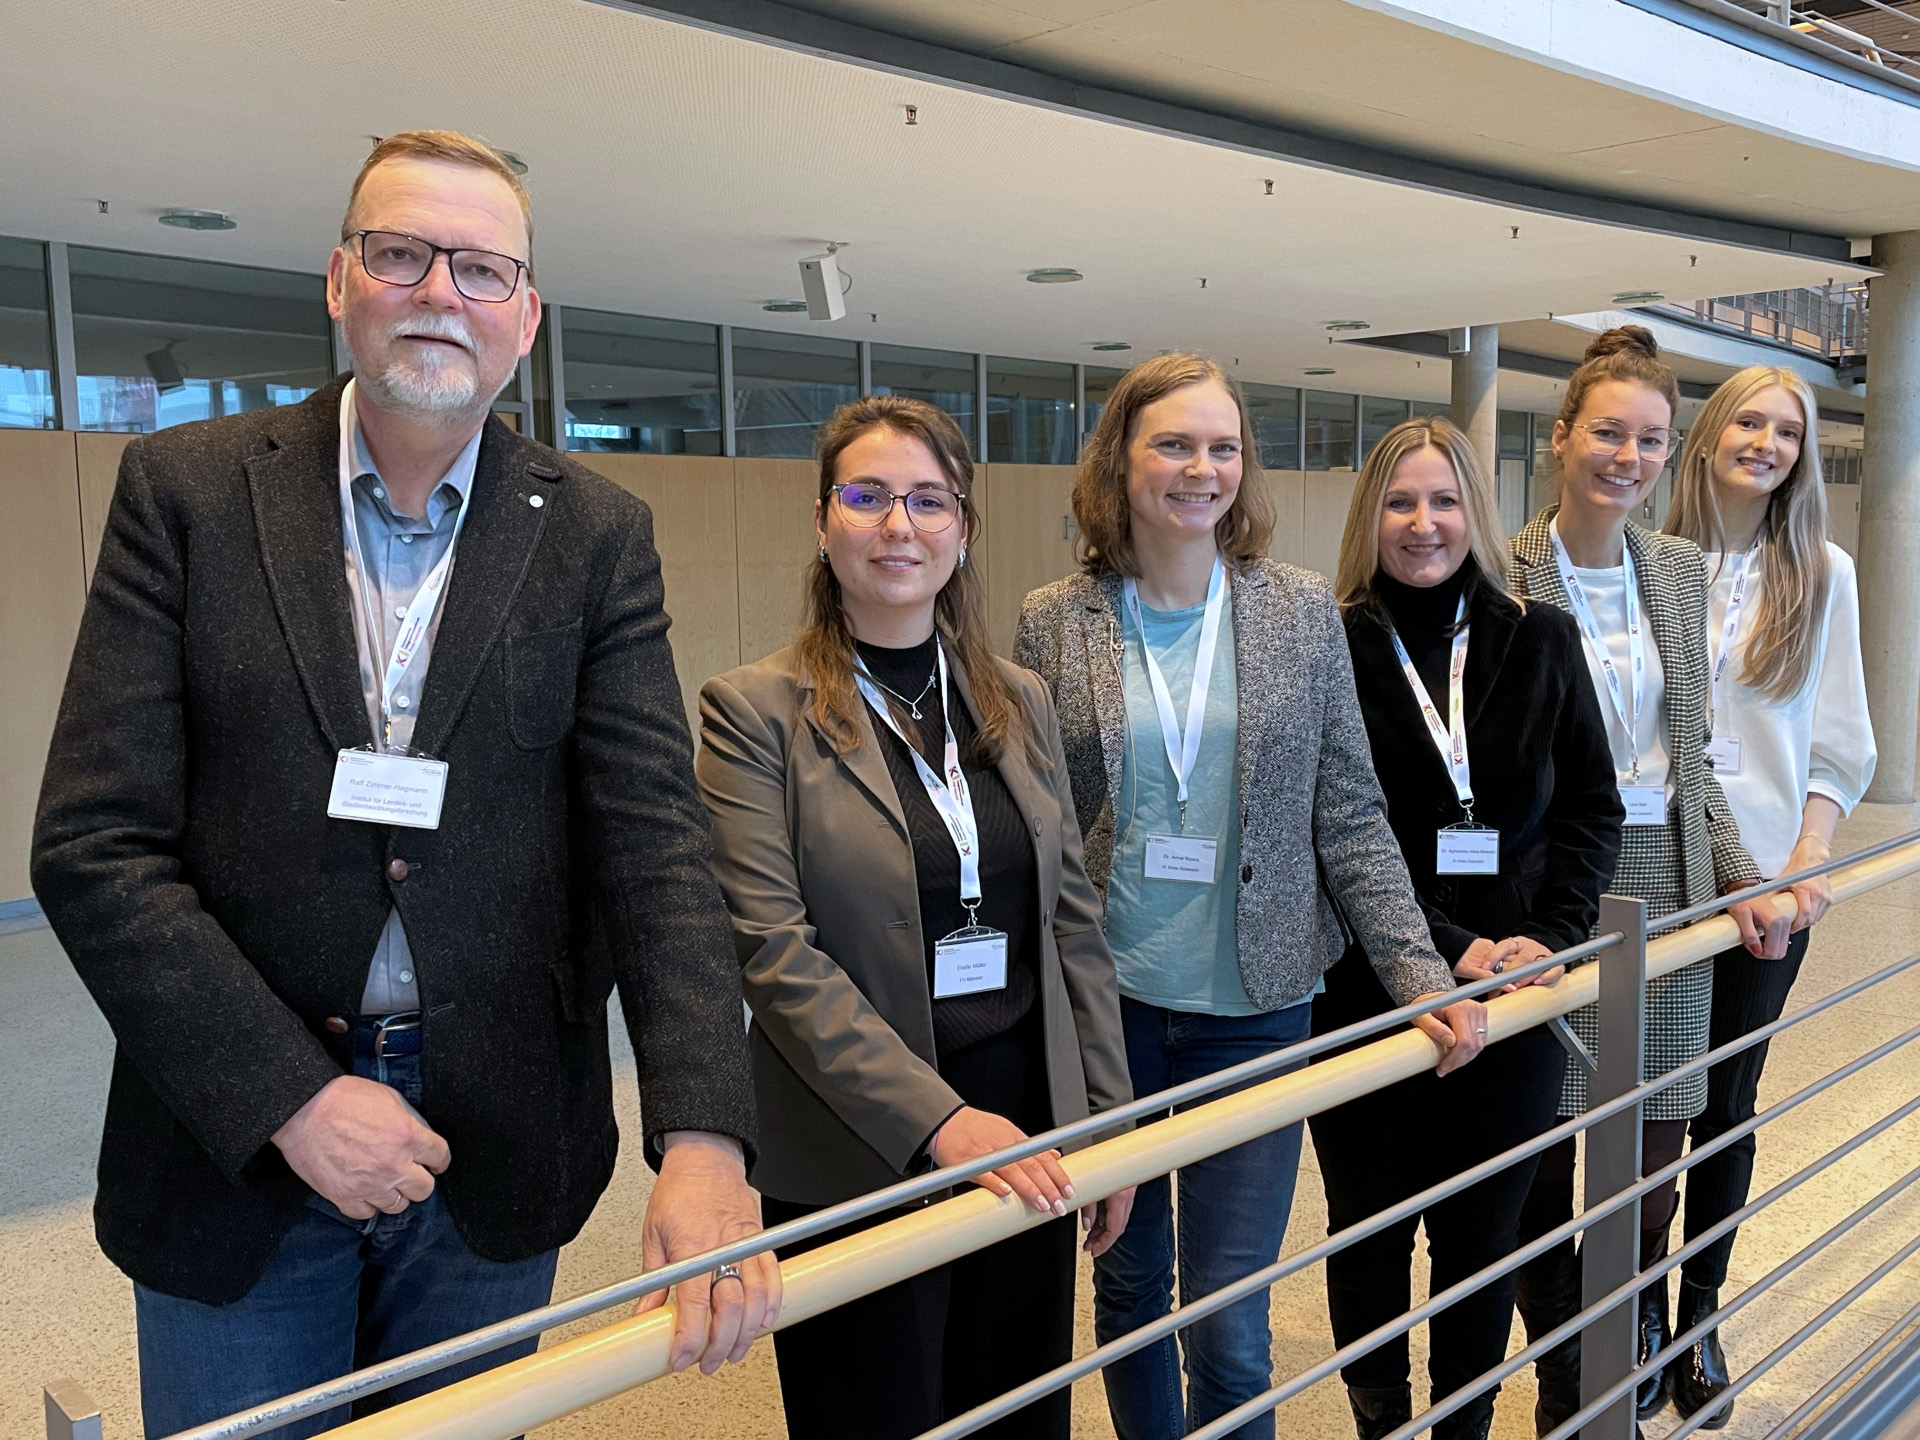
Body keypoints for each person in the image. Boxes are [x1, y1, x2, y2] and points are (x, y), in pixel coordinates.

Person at [30, 131, 777, 1437]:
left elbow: (653, 846)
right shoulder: (188, 494)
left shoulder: (598, 535)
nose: (442, 291)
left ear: (526, 315)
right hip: (234, 1142)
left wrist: (707, 1135)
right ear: (339, 281)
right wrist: (291, 1099)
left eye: (484, 267)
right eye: (403, 253)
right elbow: (96, 842)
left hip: (492, 1130)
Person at [1015, 353, 1488, 1440]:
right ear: (1119, 460)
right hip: (1109, 1011)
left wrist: (1419, 974)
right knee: (1130, 1295)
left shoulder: (1296, 610)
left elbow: (1350, 814)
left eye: (1222, 447)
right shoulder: (1058, 619)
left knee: (1227, 1319)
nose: (1201, 468)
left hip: (1259, 1002)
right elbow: (1042, 822)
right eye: (1173, 444)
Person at [696, 395, 1134, 1440]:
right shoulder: (750, 710)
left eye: (928, 501)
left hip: (1026, 1127)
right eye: (868, 496)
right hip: (859, 1140)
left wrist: (1110, 1123)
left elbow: (1071, 917)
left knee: (1016, 1407)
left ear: (964, 529)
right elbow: (773, 951)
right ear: (822, 521)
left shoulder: (1015, 697)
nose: (899, 526)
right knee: (878, 1411)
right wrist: (940, 1125)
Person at [1314, 417, 1624, 1440]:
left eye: (1444, 501)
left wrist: (1551, 932)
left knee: (1483, 1236)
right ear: (1372, 515)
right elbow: (1334, 826)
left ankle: (1463, 1428)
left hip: (1518, 992)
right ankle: (1381, 1422)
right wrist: (1447, 944)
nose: (1422, 522)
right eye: (1400, 502)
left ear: (1474, 513)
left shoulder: (1540, 636)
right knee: (1367, 1233)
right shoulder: (1334, 642)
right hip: (1370, 986)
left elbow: (1590, 804)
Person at [1507, 326, 1788, 1435]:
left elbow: (1697, 759)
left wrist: (1743, 879)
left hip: (1667, 881)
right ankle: (1567, 1368)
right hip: (1548, 886)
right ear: (1564, 437)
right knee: (1539, 1154)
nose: (1627, 457)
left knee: (1655, 1150)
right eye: (1608, 434)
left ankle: (1624, 1336)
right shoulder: (1507, 568)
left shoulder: (1675, 568)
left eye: (1650, 441)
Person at [1657, 367, 1876, 1426]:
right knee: (1649, 1106)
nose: (1768, 442)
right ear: (1706, 435)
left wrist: (1810, 860)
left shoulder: (1823, 572)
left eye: (1788, 430)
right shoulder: (1647, 564)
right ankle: (1632, 1315)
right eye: (1749, 420)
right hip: (1655, 881)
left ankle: (1697, 1315)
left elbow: (1839, 745)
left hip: (1767, 898)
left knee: (1724, 1109)